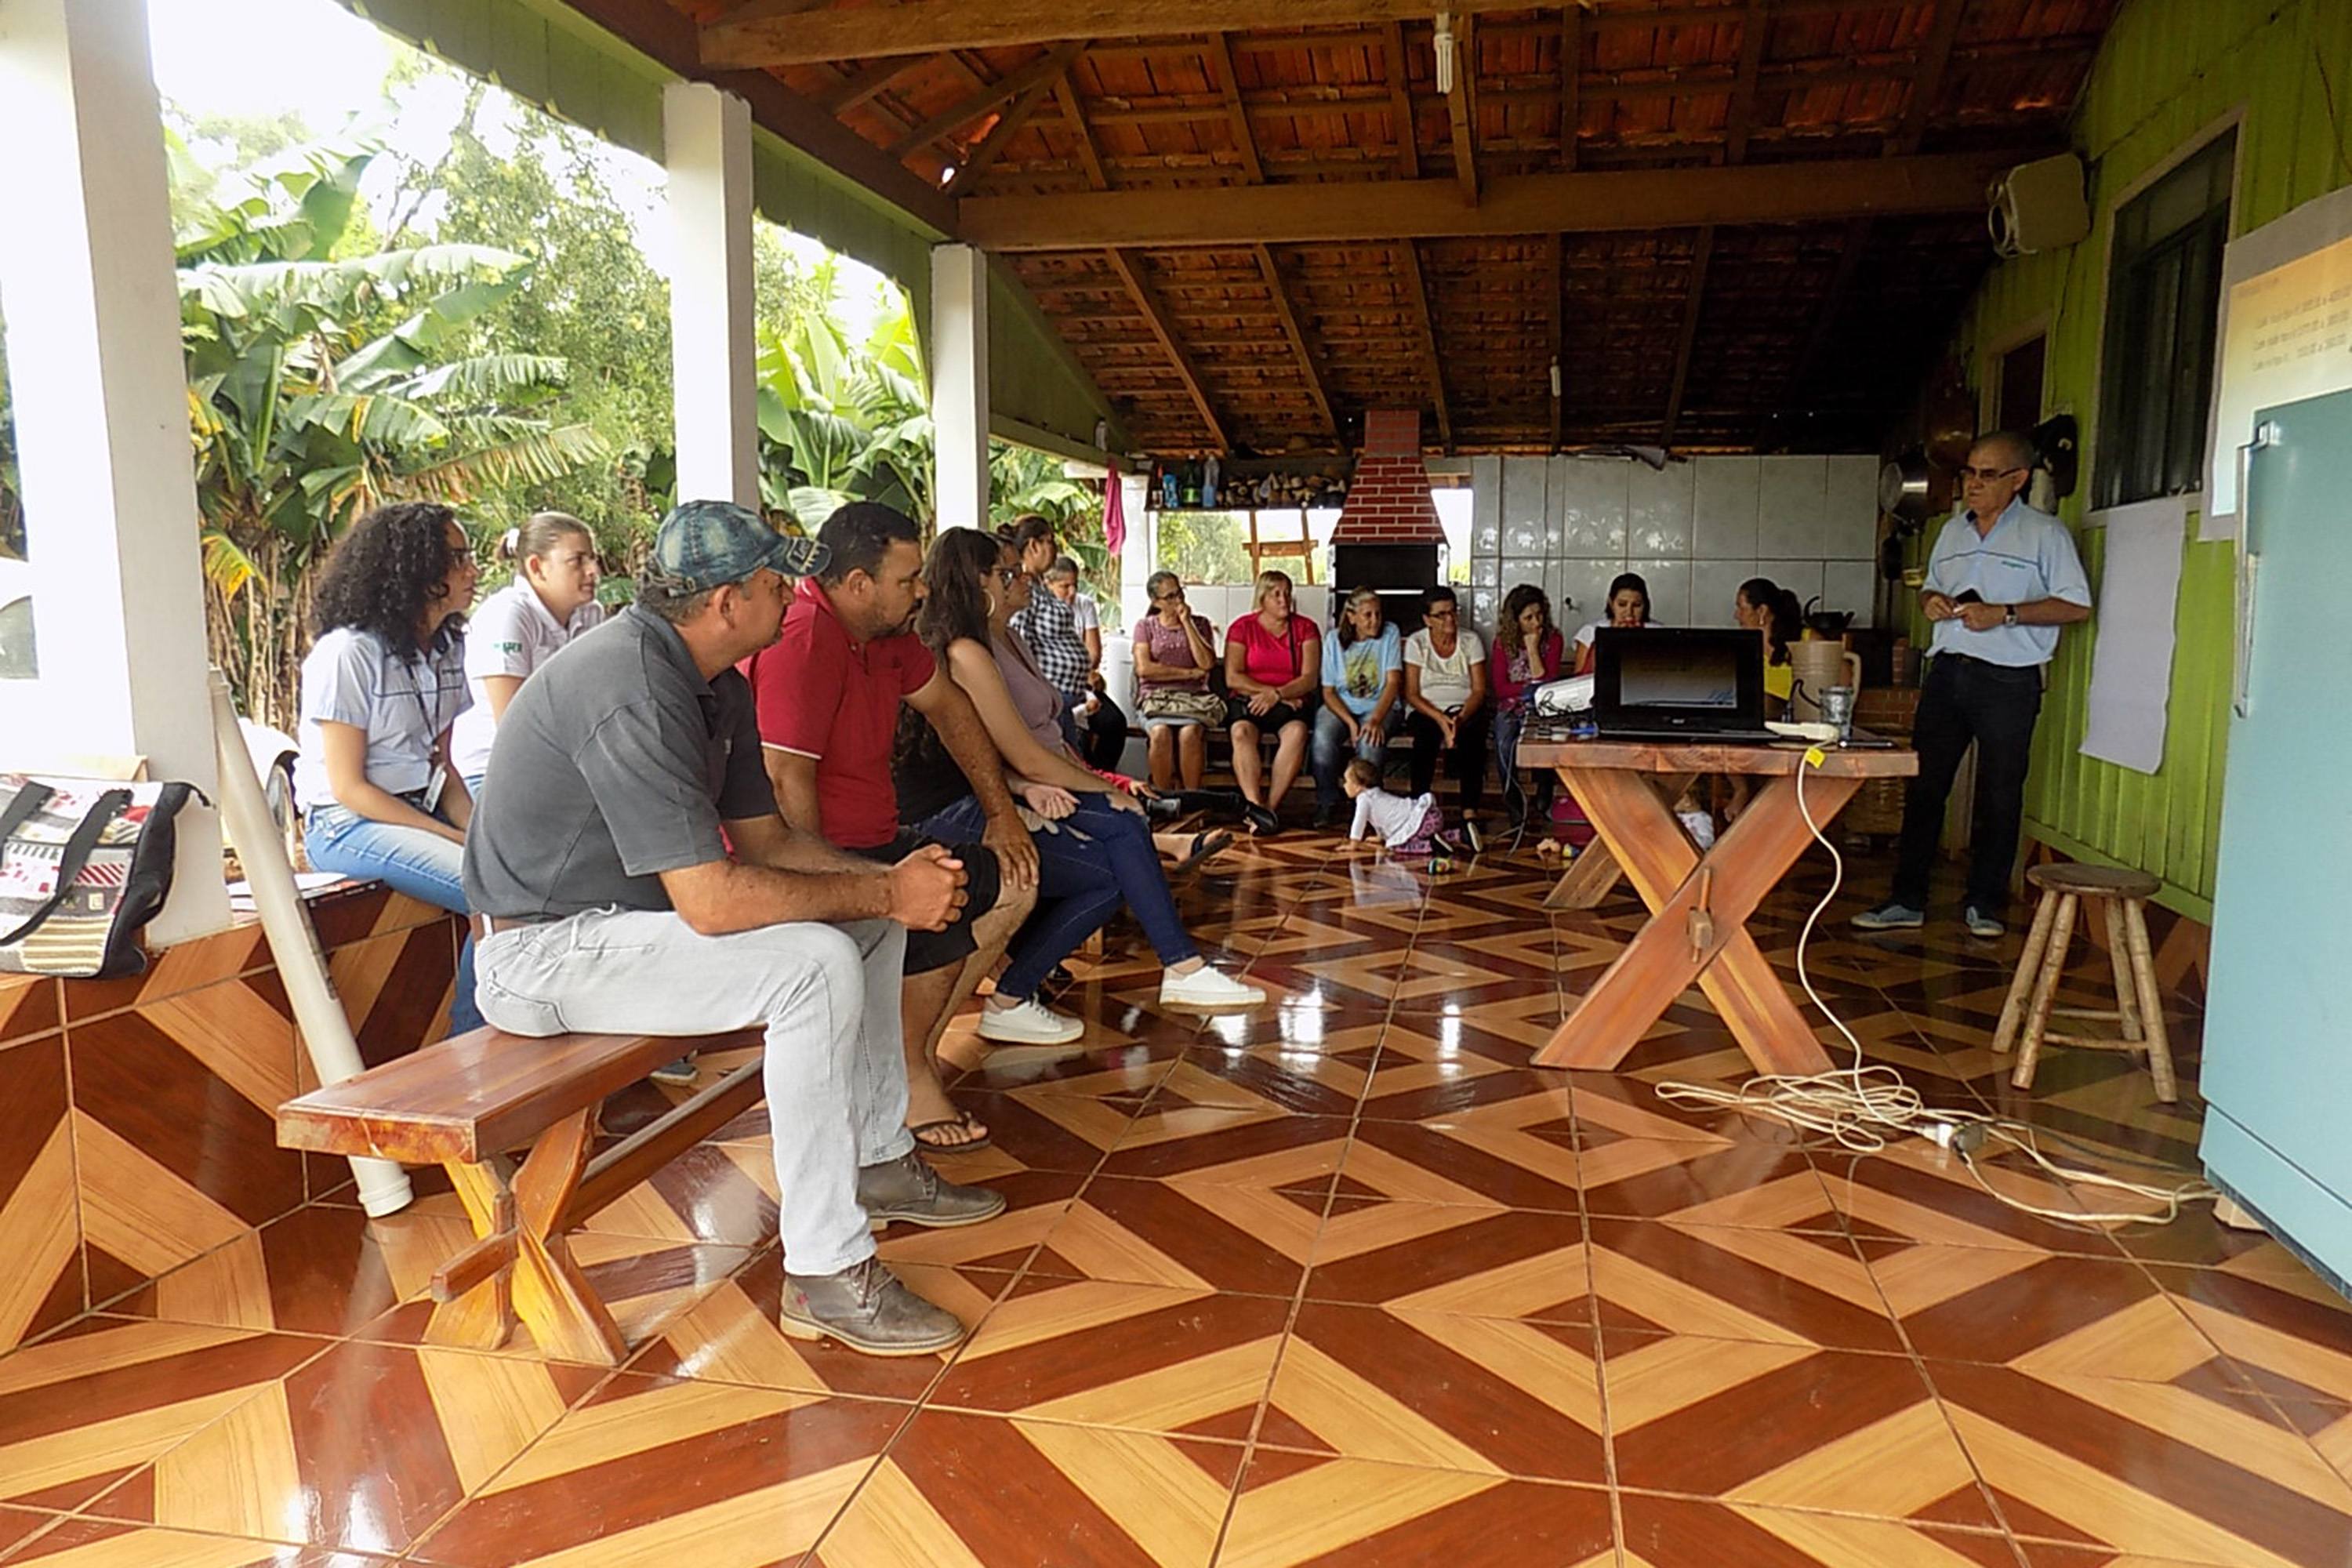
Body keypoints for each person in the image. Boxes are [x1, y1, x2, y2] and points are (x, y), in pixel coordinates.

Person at [462, 499, 1004, 1357]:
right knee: (816, 961)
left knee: (866, 930)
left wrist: (893, 885)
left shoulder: (711, 681)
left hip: (619, 934)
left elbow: (774, 842)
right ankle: (827, 1268)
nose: (791, 592)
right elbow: (712, 901)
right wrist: (884, 892)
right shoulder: (629, 682)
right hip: (542, 951)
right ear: (725, 602)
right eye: (773, 580)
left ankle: (876, 1150)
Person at [745, 503, 1048, 1156]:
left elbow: (948, 706)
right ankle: (895, 1080)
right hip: (820, 855)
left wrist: (1001, 815)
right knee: (920, 904)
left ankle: (911, 1060)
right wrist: (844, 892)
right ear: (857, 585)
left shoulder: (888, 635)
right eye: (909, 579)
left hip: (883, 838)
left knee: (1013, 880)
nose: (924, 591)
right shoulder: (803, 641)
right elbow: (786, 784)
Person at [902, 530, 1265, 1014]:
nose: (1021, 580)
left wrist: (1083, 782)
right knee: (1121, 832)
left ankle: (1013, 997)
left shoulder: (1002, 639)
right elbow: (1015, 752)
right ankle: (1178, 966)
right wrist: (1100, 788)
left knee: (1119, 852)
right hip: (970, 802)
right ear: (977, 583)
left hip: (1021, 781)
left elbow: (1021, 742)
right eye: (1007, 573)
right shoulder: (966, 651)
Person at [1853, 431, 2090, 938]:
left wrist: (2004, 614)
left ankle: (1983, 902)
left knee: (2001, 793)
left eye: (1986, 474)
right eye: (1968, 474)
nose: (1972, 485)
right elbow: (1930, 588)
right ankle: (1906, 898)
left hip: (2009, 678)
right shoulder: (1951, 532)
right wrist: (1931, 602)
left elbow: (2076, 604)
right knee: (1924, 786)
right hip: (1948, 671)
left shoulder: (2046, 535)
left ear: (2018, 480)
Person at [293, 500, 485, 1036]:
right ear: (415, 569)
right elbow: (348, 787)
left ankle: (502, 1046)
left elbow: (443, 766)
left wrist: (481, 831)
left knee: (524, 870)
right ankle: (470, 1054)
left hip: (416, 808)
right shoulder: (347, 654)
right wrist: (450, 838)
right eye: (458, 557)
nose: (472, 570)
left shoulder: (446, 650)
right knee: (489, 889)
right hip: (346, 823)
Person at [449, 512, 604, 795]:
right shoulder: (507, 615)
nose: (593, 570)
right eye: (578, 561)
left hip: (564, 766)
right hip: (491, 772)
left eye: (593, 558)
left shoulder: (590, 613)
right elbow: (512, 728)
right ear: (537, 568)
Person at [1222, 568, 1320, 830]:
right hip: (1250, 702)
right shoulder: (1242, 628)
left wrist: (1278, 695)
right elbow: (1233, 677)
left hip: (1291, 703)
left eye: (1287, 593)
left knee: (1297, 732)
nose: (1283, 599)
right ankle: (1255, 808)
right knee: (1241, 732)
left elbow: (1310, 678)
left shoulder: (1306, 628)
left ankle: (1271, 809)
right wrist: (1265, 693)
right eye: (1276, 594)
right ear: (1262, 598)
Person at [1311, 586, 1403, 829]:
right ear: (1351, 617)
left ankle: (1370, 810)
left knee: (1369, 741)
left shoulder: (1390, 633)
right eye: (1368, 615)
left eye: (1378, 614)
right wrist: (1351, 723)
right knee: (1322, 737)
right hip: (1341, 706)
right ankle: (1327, 802)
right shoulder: (1333, 640)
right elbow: (1328, 692)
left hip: (1381, 706)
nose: (1375, 621)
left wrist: (1374, 720)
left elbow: (1393, 683)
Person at [1399, 585, 1491, 826]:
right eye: (1441, 614)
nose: (1449, 619)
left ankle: (1470, 812)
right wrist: (1441, 719)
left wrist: (1460, 718)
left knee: (1473, 736)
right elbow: (1412, 693)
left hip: (1465, 706)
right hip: (1426, 708)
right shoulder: (1416, 643)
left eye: (1452, 612)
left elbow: (1480, 690)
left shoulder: (1471, 641)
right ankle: (1419, 808)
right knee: (1425, 737)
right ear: (1427, 619)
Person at [1035, 554, 1127, 771]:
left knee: (1114, 721)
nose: (1072, 592)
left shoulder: (1084, 605)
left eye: (1075, 585)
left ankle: (1105, 773)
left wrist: (1085, 675)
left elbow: (1093, 654)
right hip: (1051, 686)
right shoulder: (1037, 609)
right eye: (1064, 586)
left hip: (1083, 683)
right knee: (1073, 729)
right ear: (1048, 585)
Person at [1132, 571, 1222, 792]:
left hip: (1194, 700)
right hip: (1156, 699)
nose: (1179, 600)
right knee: (1160, 732)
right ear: (1156, 602)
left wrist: (1187, 623)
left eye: (1180, 593)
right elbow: (1144, 669)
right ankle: (1164, 800)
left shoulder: (1200, 624)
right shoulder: (1145, 627)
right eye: (1170, 597)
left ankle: (1191, 800)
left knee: (1190, 733)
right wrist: (1189, 674)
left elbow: (1207, 663)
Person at [1491, 581, 1566, 829]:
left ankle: (1544, 798)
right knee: (1503, 743)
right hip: (1510, 708)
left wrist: (1533, 649)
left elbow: (1549, 683)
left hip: (1543, 708)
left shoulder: (1553, 639)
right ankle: (1514, 803)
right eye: (1529, 618)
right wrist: (1531, 687)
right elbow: (1501, 688)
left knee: (1544, 741)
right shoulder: (1503, 643)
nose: (1537, 623)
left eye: (1539, 615)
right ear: (1516, 621)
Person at [1341, 757, 1467, 861]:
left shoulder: (1364, 800)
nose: (1344, 785)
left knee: (1398, 846)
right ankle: (1460, 835)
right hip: (1430, 814)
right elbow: (1382, 819)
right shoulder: (1375, 793)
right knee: (1410, 836)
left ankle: (1433, 846)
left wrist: (1354, 843)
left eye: (1347, 781)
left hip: (1421, 822)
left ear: (1358, 786)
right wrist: (1381, 837)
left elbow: (1359, 821)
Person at [1734, 576, 1804, 717]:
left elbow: (1842, 669)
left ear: (1762, 611)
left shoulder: (1804, 640)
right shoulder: (1743, 648)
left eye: (1741, 608)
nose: (1736, 615)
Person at [1573, 571, 1653, 674]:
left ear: (1645, 605)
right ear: (1611, 603)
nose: (1629, 612)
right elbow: (1579, 678)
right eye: (1622, 604)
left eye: (1637, 605)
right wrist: (1609, 639)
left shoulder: (1658, 632)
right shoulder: (1590, 632)